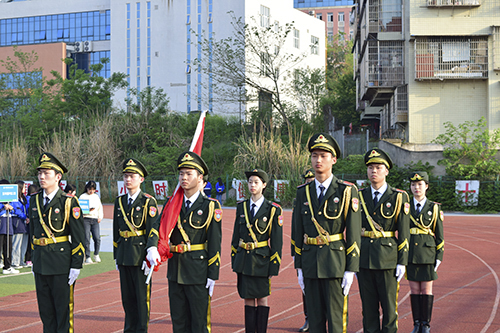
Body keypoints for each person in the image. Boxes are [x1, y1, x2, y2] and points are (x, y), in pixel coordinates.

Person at [146, 151, 222, 333]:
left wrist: (213, 274)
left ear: (200, 177)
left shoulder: (210, 206)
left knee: (199, 324)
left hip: (198, 272)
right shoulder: (171, 204)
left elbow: (214, 243)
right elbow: (157, 227)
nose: (184, 178)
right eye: (181, 174)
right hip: (176, 271)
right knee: (179, 324)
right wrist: (151, 247)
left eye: (189, 174)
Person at [292, 133, 361, 333]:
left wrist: (351, 269)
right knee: (315, 322)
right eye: (314, 155)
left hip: (335, 264)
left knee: (336, 321)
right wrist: (299, 267)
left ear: (334, 159)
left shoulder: (346, 191)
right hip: (310, 263)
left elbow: (354, 233)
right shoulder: (302, 191)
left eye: (323, 155)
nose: (318, 160)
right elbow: (297, 232)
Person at [30, 152, 85, 332]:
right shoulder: (35, 200)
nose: (42, 177)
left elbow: (79, 236)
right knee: (46, 313)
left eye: (47, 173)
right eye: (40, 173)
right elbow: (33, 232)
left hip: (62, 264)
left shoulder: (68, 202)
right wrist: (32, 258)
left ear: (58, 177)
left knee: (63, 313)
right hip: (40, 263)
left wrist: (76, 265)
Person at [357, 148, 410, 333]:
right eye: (370, 167)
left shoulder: (399, 197)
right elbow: (354, 231)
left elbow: (404, 233)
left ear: (386, 171)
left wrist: (402, 262)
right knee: (368, 309)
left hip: (388, 260)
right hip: (364, 259)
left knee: (389, 309)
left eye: (378, 167)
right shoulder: (359, 196)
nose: (374, 171)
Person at [231, 169, 283, 333]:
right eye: (250, 182)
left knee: (261, 298)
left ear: (264, 185)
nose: (252, 185)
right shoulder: (242, 207)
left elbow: (277, 241)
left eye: (256, 182)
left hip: (261, 260)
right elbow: (235, 236)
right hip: (244, 260)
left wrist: (273, 266)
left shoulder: (272, 209)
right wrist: (235, 260)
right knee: (247, 299)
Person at [113, 158, 159, 333]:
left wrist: (150, 253)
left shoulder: (147, 202)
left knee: (142, 299)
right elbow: (117, 231)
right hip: (125, 255)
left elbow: (152, 230)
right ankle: (129, 329)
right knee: (127, 299)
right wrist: (116, 255)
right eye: (125, 176)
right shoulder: (119, 201)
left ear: (141, 179)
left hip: (140, 257)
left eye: (132, 176)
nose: (128, 179)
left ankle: (141, 330)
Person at [407, 172, 444, 333]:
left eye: (420, 184)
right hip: (411, 254)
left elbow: (440, 235)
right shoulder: (405, 206)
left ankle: (426, 324)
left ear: (427, 186)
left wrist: (439, 256)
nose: (416, 188)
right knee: (415, 290)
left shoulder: (434, 208)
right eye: (414, 185)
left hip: (428, 255)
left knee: (426, 290)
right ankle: (417, 323)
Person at [290, 168, 315, 332]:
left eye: (311, 180)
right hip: (306, 250)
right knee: (306, 289)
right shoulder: (301, 197)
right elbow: (296, 228)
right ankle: (308, 319)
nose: (309, 183)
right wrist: (295, 252)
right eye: (307, 181)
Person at [0, 179, 25, 274]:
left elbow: (15, 209)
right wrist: (3, 207)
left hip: (8, 221)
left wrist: (11, 208)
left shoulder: (11, 198)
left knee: (8, 245)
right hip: (1, 221)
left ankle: (7, 266)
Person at [79, 181, 103, 264]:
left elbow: (100, 207)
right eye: (90, 189)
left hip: (95, 219)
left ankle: (96, 254)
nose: (91, 191)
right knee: (86, 238)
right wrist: (86, 211)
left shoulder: (96, 197)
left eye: (93, 189)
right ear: (87, 188)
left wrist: (100, 216)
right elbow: (80, 209)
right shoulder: (82, 196)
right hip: (86, 218)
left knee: (97, 238)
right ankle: (87, 256)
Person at [11, 181, 28, 269]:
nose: (25, 189)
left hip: (24, 222)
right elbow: (17, 211)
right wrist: (25, 217)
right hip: (18, 221)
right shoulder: (14, 199)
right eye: (24, 187)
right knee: (16, 242)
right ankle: (15, 261)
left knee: (23, 243)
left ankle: (21, 260)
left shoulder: (23, 199)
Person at [24, 183, 39, 266]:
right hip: (30, 222)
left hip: (29, 221)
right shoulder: (31, 199)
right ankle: (28, 259)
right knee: (30, 241)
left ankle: (29, 259)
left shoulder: (27, 198)